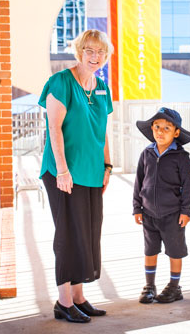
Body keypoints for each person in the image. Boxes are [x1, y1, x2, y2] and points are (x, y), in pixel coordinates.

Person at [38, 29, 114, 324]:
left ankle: (80, 298)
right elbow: (54, 128)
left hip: (92, 172)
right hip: (63, 173)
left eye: (100, 53)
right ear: (80, 52)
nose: (95, 57)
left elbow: (102, 129)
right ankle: (64, 301)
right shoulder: (62, 82)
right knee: (68, 234)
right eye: (89, 51)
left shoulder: (101, 87)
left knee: (87, 233)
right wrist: (62, 170)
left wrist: (107, 166)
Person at [133, 108, 190, 304]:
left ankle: (174, 287)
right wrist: (137, 207)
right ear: (152, 128)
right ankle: (149, 286)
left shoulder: (181, 156)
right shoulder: (146, 153)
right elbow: (139, 181)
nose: (160, 131)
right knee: (150, 250)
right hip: (148, 213)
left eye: (167, 128)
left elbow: (188, 186)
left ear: (176, 132)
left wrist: (185, 211)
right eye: (157, 127)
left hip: (173, 214)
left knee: (175, 251)